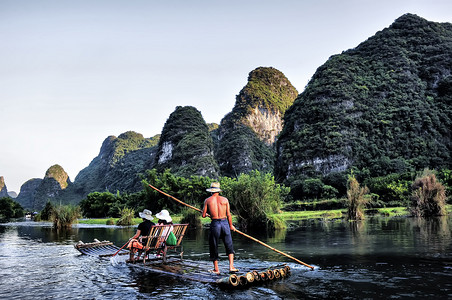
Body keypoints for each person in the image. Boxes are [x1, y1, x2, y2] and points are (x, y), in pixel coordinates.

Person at [202, 182, 238, 275]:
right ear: (219, 191)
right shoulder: (225, 199)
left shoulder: (207, 200)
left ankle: (216, 269)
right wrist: (231, 225)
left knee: (214, 245)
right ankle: (231, 267)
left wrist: (207, 214)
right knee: (229, 244)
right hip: (225, 223)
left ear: (211, 191)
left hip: (215, 224)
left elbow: (203, 215)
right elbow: (229, 214)